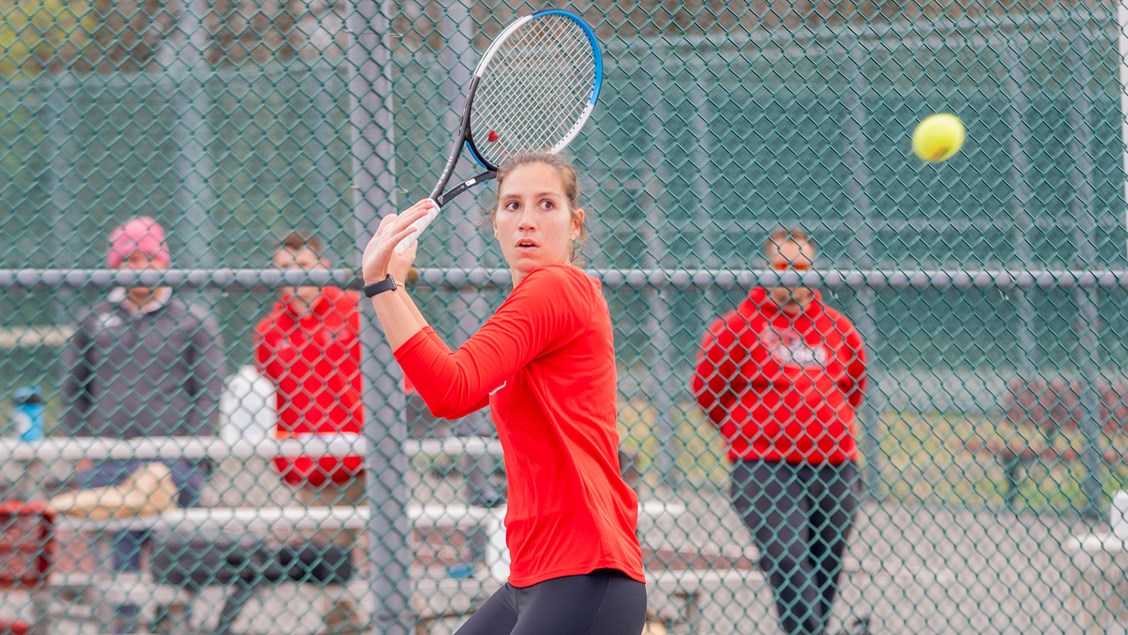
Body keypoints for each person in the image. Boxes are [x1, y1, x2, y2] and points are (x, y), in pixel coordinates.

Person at [360, 152, 646, 634]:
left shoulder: (556, 287)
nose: (527, 221)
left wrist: (380, 285)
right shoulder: (532, 307)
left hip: (586, 574)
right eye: (512, 206)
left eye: (546, 205)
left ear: (575, 224)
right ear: (494, 224)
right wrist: (392, 288)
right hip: (533, 578)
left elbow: (451, 388)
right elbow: (451, 388)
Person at [690, 227, 869, 635]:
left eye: (802, 266)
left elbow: (854, 387)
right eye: (783, 266)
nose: (793, 274)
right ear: (767, 269)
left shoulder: (838, 328)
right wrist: (746, 431)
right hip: (763, 467)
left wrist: (826, 423)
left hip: (835, 465)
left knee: (827, 564)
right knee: (787, 560)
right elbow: (706, 390)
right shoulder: (738, 327)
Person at [57, 216, 226, 633]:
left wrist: (192, 454)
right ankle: (130, 619)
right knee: (125, 519)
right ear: (115, 265)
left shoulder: (191, 320)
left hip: (173, 460)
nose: (139, 267)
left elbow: (208, 395)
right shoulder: (93, 319)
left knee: (153, 521)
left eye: (148, 257)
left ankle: (165, 612)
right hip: (109, 457)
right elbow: (73, 392)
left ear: (163, 261)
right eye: (130, 259)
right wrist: (82, 451)